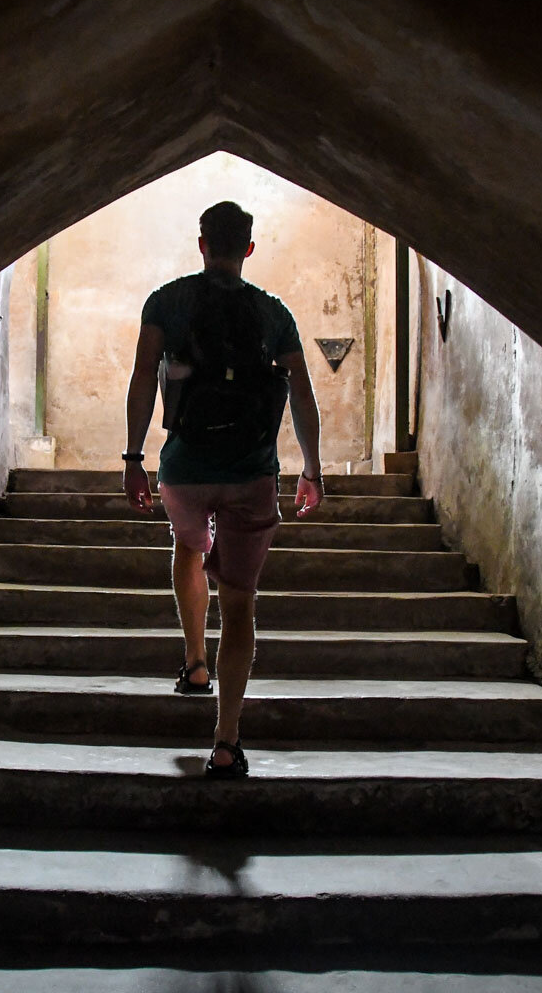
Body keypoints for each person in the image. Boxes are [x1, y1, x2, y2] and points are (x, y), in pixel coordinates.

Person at [121, 200, 324, 778]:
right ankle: (227, 741)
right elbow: (302, 395)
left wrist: (134, 460)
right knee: (240, 605)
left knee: (189, 544)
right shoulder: (272, 313)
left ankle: (193, 664)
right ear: (249, 249)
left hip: (183, 470)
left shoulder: (166, 301)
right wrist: (310, 469)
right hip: (252, 472)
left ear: (203, 243)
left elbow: (142, 378)